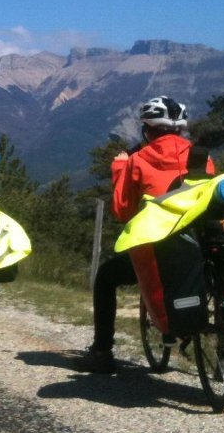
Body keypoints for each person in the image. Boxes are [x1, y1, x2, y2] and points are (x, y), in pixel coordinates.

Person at [74, 95, 214, 373]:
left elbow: (123, 210)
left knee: (106, 278)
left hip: (158, 248)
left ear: (147, 130)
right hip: (201, 245)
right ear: (181, 130)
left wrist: (119, 168)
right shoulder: (203, 157)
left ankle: (102, 351)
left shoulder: (137, 159)